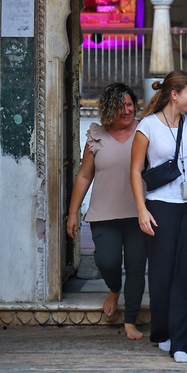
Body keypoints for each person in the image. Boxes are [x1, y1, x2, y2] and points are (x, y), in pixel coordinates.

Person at [130, 70, 187, 364]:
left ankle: (182, 341)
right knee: (162, 275)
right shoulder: (147, 127)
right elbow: (135, 171)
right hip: (160, 205)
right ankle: (162, 330)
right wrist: (141, 210)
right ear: (175, 95)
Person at [66, 82, 146, 340]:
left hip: (139, 214)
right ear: (109, 108)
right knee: (107, 260)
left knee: (136, 267)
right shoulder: (95, 135)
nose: (126, 110)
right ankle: (113, 288)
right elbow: (83, 176)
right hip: (104, 214)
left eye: (130, 104)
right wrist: (72, 213)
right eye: (121, 106)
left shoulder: (145, 131)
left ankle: (131, 320)